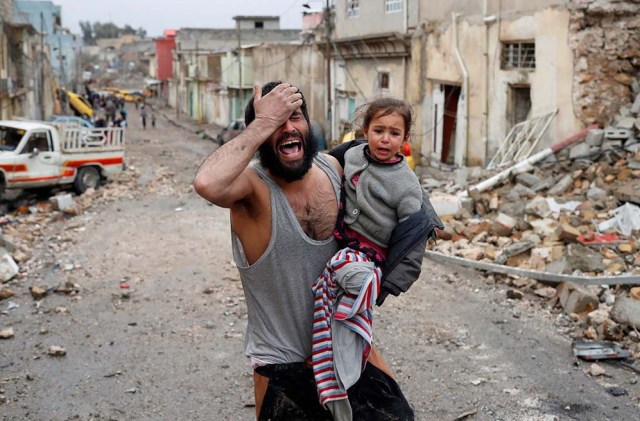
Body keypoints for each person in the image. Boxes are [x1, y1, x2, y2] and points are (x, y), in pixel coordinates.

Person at [193, 82, 422, 420]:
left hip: (346, 350)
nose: (287, 127)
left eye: (295, 117)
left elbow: (392, 176)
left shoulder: (334, 169)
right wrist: (262, 121)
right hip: (285, 368)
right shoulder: (250, 190)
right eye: (275, 122)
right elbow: (207, 183)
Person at [311, 98, 423, 419]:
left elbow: (415, 237)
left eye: (394, 133)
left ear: (405, 139)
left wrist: (389, 285)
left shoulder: (406, 184)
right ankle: (333, 376)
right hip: (342, 243)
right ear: (365, 131)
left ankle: (347, 378)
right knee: (327, 307)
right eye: (378, 131)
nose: (385, 139)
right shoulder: (351, 154)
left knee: (350, 289)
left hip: (370, 256)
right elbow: (321, 165)